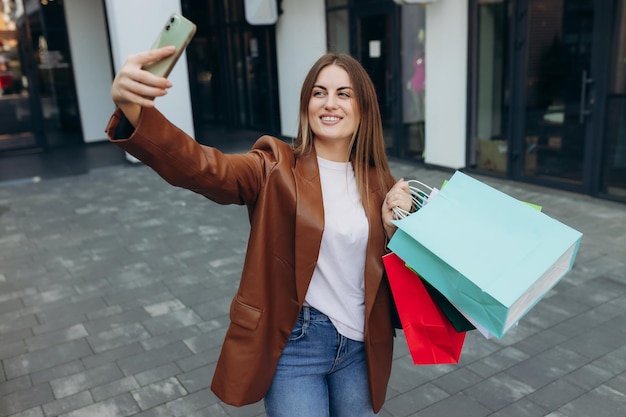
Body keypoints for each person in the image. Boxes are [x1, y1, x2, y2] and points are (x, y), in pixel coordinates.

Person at [106, 46, 412, 416]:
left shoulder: (379, 181)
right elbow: (205, 167)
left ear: (363, 109)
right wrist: (136, 111)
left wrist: (395, 231)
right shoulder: (275, 167)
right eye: (319, 92)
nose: (329, 103)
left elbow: (395, 275)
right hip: (297, 344)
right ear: (306, 105)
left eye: (343, 94)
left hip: (361, 347)